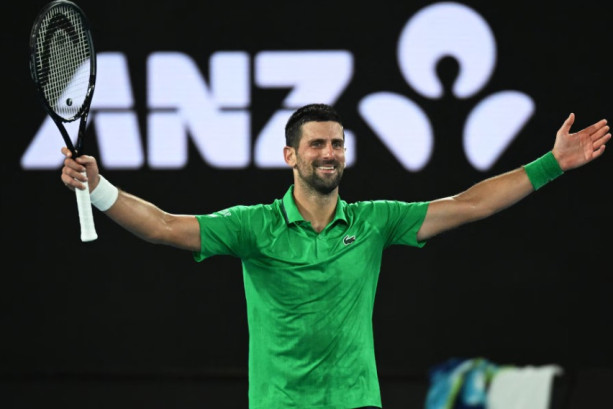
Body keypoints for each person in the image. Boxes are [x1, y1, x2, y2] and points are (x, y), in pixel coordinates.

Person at [61, 103, 610, 409]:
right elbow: (161, 226)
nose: (329, 153)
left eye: (337, 144)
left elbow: (470, 204)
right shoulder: (253, 226)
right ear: (290, 155)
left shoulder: (375, 221)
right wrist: (100, 188)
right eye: (317, 144)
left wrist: (551, 164)